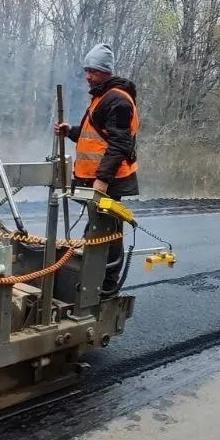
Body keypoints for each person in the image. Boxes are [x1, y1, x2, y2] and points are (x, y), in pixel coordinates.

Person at [54, 42, 139, 296]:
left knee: (108, 231)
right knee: (98, 226)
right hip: (94, 178)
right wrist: (71, 132)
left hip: (108, 180)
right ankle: (94, 275)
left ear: (106, 71)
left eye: (93, 71)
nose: (88, 76)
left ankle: (106, 284)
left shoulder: (118, 100)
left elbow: (119, 143)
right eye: (86, 70)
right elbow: (96, 135)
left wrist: (102, 180)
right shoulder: (102, 97)